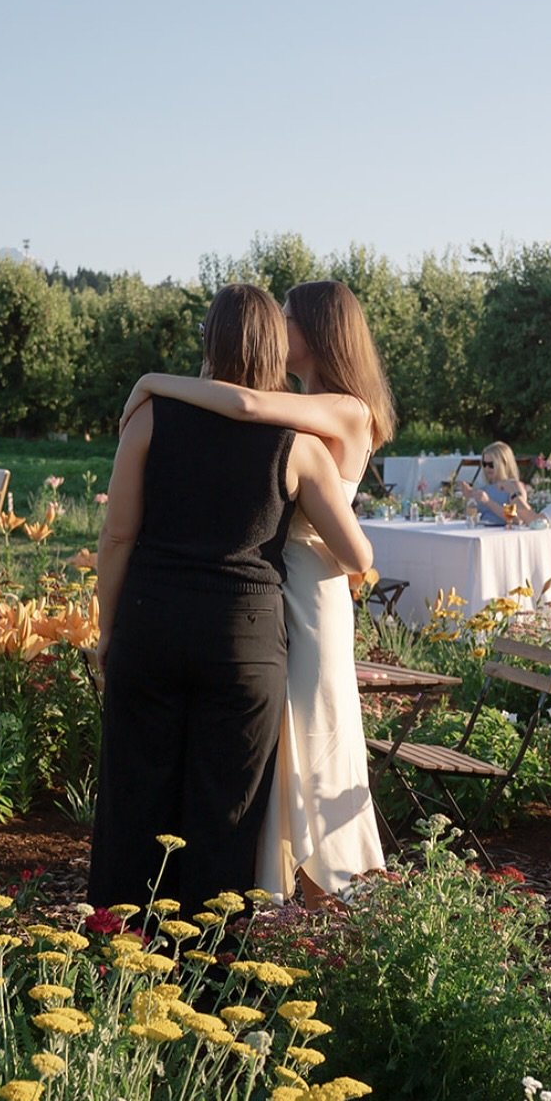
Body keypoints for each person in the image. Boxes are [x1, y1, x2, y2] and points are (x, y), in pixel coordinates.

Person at [89, 283, 373, 915]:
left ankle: (114, 947)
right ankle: (211, 969)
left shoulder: (152, 420)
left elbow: (117, 534)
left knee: (135, 793)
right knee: (229, 805)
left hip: (153, 617)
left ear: (208, 342)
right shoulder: (297, 441)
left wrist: (107, 627)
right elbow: (359, 556)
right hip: (251, 627)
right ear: (274, 342)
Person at [460, 441, 528, 525]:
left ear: (503, 464)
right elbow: (470, 518)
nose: (487, 468)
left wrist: (488, 502)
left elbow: (518, 519)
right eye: (484, 464)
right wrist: (469, 499)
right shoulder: (484, 488)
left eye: (491, 465)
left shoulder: (513, 487)